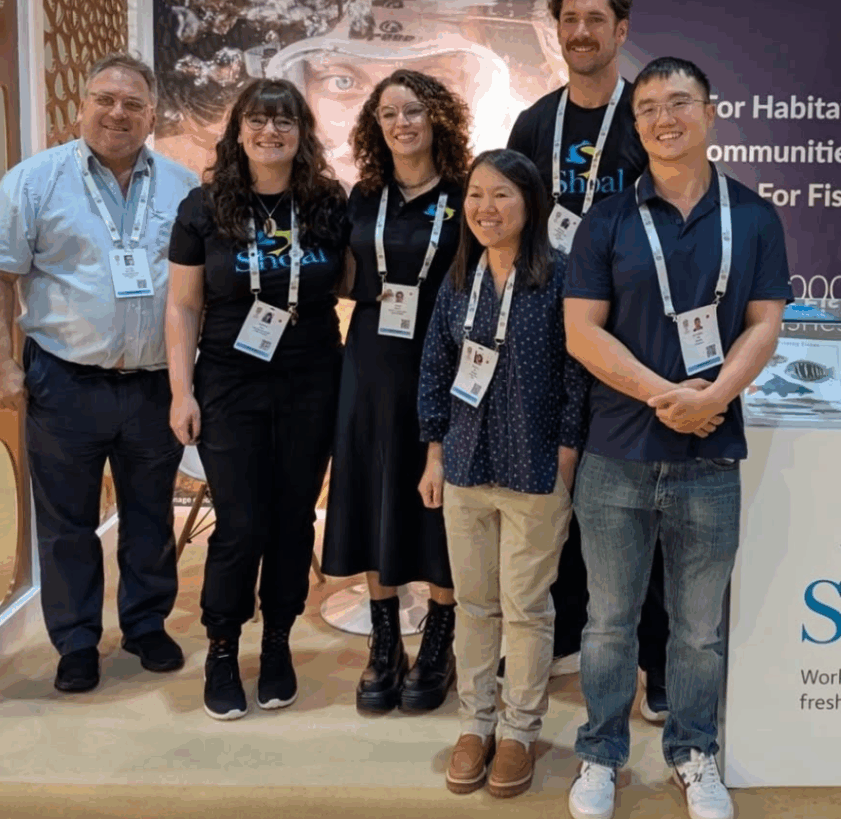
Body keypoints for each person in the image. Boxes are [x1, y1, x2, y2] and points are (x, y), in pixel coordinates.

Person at [563, 57, 792, 819]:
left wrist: (715, 398)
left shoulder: (754, 217)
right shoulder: (608, 220)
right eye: (649, 108)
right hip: (616, 454)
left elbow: (764, 323)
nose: (665, 118)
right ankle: (600, 755)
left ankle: (694, 754)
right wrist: (666, 397)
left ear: (711, 112)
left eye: (680, 102)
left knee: (697, 631)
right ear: (636, 125)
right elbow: (581, 332)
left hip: (709, 456)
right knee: (607, 623)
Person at [0, 52, 198, 693]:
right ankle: (77, 641)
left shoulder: (183, 187)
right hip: (64, 381)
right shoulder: (34, 182)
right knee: (67, 523)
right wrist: (3, 362)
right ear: (81, 106)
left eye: (133, 104)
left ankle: (145, 625)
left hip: (154, 384)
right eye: (104, 100)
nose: (118, 113)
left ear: (152, 115)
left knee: (150, 514)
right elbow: (3, 275)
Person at [506, 0, 667, 714]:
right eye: (569, 20)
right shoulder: (534, 124)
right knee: (556, 490)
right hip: (549, 333)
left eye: (595, 20)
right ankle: (565, 627)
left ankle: (657, 659)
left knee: (642, 500)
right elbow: (510, 226)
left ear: (620, 31)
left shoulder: (646, 118)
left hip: (630, 337)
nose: (581, 32)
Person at [165, 78, 349, 720]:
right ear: (238, 130)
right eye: (258, 120)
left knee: (294, 518)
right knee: (241, 522)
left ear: (302, 133)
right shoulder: (203, 206)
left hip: (311, 381)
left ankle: (277, 640)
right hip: (228, 382)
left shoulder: (327, 202)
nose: (271, 131)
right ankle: (222, 646)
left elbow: (350, 280)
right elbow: (183, 306)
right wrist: (180, 393)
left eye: (285, 121)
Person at [417, 148, 588, 799]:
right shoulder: (460, 277)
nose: (486, 208)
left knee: (527, 608)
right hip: (466, 463)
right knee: (474, 604)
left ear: (531, 203)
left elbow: (578, 377)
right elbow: (435, 366)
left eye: (502, 195)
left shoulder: (559, 277)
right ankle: (476, 723)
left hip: (535, 470)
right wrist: (434, 454)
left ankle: (519, 730)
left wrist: (565, 460)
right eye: (476, 195)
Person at [320, 69, 472, 713]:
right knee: (373, 491)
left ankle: (439, 643)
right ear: (374, 126)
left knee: (440, 504)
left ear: (437, 118)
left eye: (413, 110)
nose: (402, 123)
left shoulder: (466, 193)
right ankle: (384, 644)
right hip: (372, 361)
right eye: (388, 114)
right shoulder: (363, 196)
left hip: (445, 361)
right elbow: (341, 275)